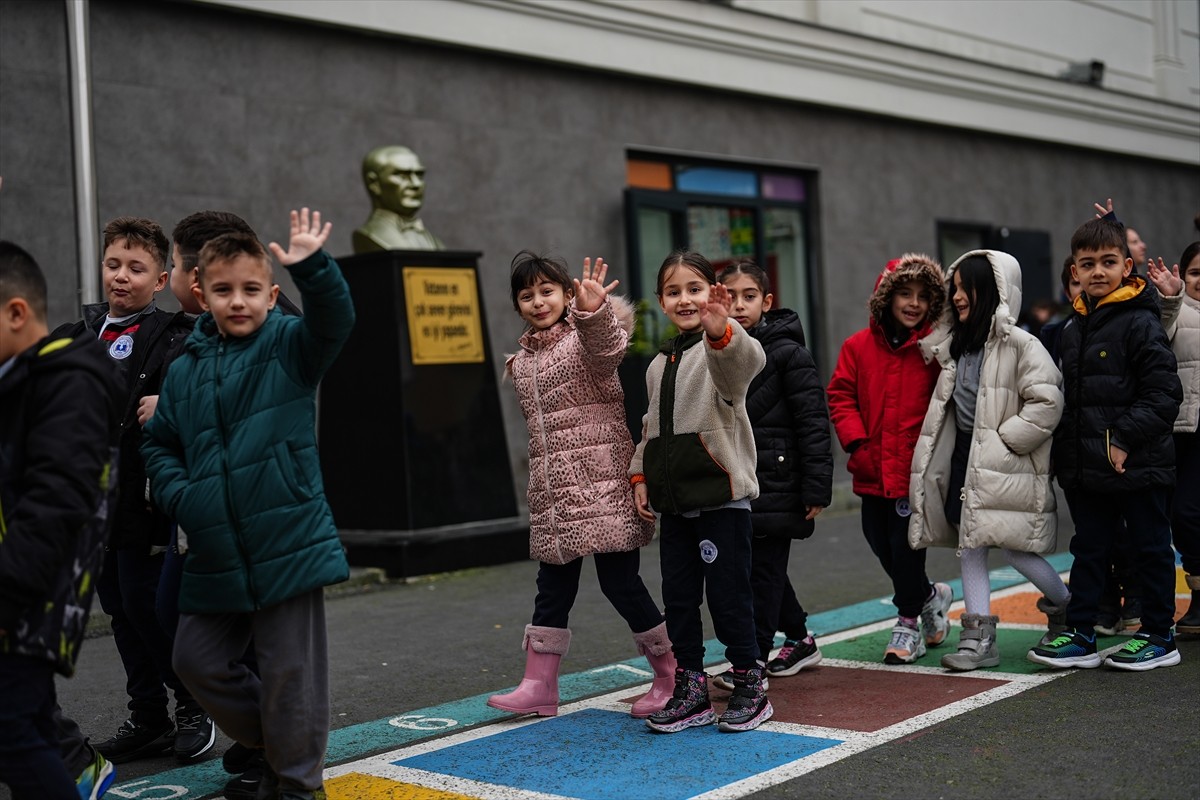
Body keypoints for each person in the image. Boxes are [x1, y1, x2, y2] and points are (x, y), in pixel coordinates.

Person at [140, 208, 355, 799]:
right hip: (214, 544)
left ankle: (295, 785)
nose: (239, 301)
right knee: (195, 660)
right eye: (224, 290)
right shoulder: (184, 371)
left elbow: (335, 321)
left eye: (251, 289)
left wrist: (315, 266)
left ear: (271, 293)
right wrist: (185, 497)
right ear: (201, 295)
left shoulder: (290, 345)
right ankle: (279, 740)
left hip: (287, 539)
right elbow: (158, 446)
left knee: (292, 676)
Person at [486, 253, 673, 720]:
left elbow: (607, 346)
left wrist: (593, 312)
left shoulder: (583, 340)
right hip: (555, 496)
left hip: (601, 485)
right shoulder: (526, 358)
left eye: (547, 291)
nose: (537, 301)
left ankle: (671, 673)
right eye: (526, 295)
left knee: (620, 583)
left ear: (567, 295)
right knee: (551, 586)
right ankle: (538, 685)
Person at [52, 218, 210, 764]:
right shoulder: (80, 332)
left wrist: (175, 404)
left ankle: (193, 705)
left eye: (137, 268)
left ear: (163, 278)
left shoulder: (177, 335)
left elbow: (209, 388)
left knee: (150, 608)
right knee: (118, 611)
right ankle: (147, 716)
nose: (121, 277)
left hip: (147, 500)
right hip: (95, 505)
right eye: (113, 265)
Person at [1027, 217, 1182, 671]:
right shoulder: (1073, 327)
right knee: (1089, 549)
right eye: (1088, 263)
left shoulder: (1140, 320)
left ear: (1127, 266)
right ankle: (1081, 633)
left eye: (1108, 262)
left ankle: (1159, 634)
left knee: (1150, 549)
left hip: (1140, 462)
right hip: (1087, 467)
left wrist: (1123, 438)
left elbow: (1164, 393)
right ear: (1074, 270)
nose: (1098, 271)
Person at [629, 250, 770, 734]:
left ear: (713, 294)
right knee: (680, 599)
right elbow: (649, 430)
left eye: (695, 288)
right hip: (676, 506)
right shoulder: (657, 365)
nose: (685, 299)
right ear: (661, 301)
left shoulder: (720, 349)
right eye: (674, 291)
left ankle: (750, 679)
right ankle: (690, 687)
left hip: (721, 500)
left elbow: (743, 368)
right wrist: (640, 476)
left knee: (729, 596)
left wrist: (721, 329)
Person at [0, 241, 122, 799]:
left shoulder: (67, 380)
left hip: (26, 596)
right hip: (20, 587)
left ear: (16, 313)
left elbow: (56, 503)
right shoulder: (23, 378)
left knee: (15, 734)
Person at [909, 251, 1070, 670]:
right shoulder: (957, 346)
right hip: (968, 457)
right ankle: (979, 637)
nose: (958, 295)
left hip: (1005, 460)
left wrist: (1005, 440)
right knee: (972, 545)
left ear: (994, 290)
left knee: (1017, 551)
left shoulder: (1020, 344)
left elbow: (1047, 401)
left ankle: (1068, 608)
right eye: (955, 287)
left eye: (966, 287)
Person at [826, 254, 954, 665]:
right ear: (887, 297)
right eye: (904, 293)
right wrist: (857, 443)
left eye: (922, 296)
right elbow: (840, 395)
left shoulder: (933, 350)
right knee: (879, 543)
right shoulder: (857, 347)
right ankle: (931, 595)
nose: (913, 303)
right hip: (871, 465)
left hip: (914, 470)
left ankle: (907, 623)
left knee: (905, 548)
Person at [709, 260, 831, 689]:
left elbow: (813, 421)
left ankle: (753, 660)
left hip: (778, 482)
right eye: (732, 296)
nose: (740, 306)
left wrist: (816, 486)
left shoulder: (789, 353)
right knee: (760, 569)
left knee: (759, 572)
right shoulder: (713, 349)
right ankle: (799, 637)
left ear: (768, 301)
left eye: (749, 297)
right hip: (736, 478)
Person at [1147, 243, 1200, 635]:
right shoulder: (1174, 310)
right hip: (1183, 431)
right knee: (1183, 516)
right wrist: (1169, 298)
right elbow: (1156, 340)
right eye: (1197, 272)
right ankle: (1198, 599)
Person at [352, 145, 445, 252]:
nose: (416, 184)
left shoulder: (435, 242)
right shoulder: (369, 235)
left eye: (419, 175)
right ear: (374, 183)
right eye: (402, 176)